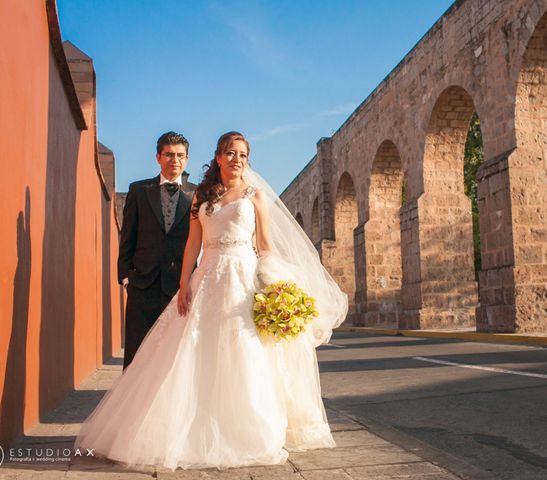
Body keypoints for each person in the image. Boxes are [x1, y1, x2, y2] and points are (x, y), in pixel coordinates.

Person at [74, 131, 348, 471]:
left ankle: (246, 430)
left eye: (243, 155)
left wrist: (275, 286)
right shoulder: (201, 197)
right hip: (207, 277)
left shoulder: (255, 196)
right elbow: (192, 244)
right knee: (189, 349)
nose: (237, 160)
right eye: (230, 153)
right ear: (218, 157)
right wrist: (184, 283)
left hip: (242, 280)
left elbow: (264, 246)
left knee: (241, 353)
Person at [117, 131, 197, 370]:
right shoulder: (139, 190)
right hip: (142, 284)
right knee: (137, 354)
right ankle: (132, 406)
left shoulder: (198, 193)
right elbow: (127, 236)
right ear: (158, 157)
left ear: (187, 159)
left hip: (181, 288)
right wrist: (126, 276)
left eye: (180, 155)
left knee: (174, 356)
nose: (175, 160)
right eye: (169, 155)